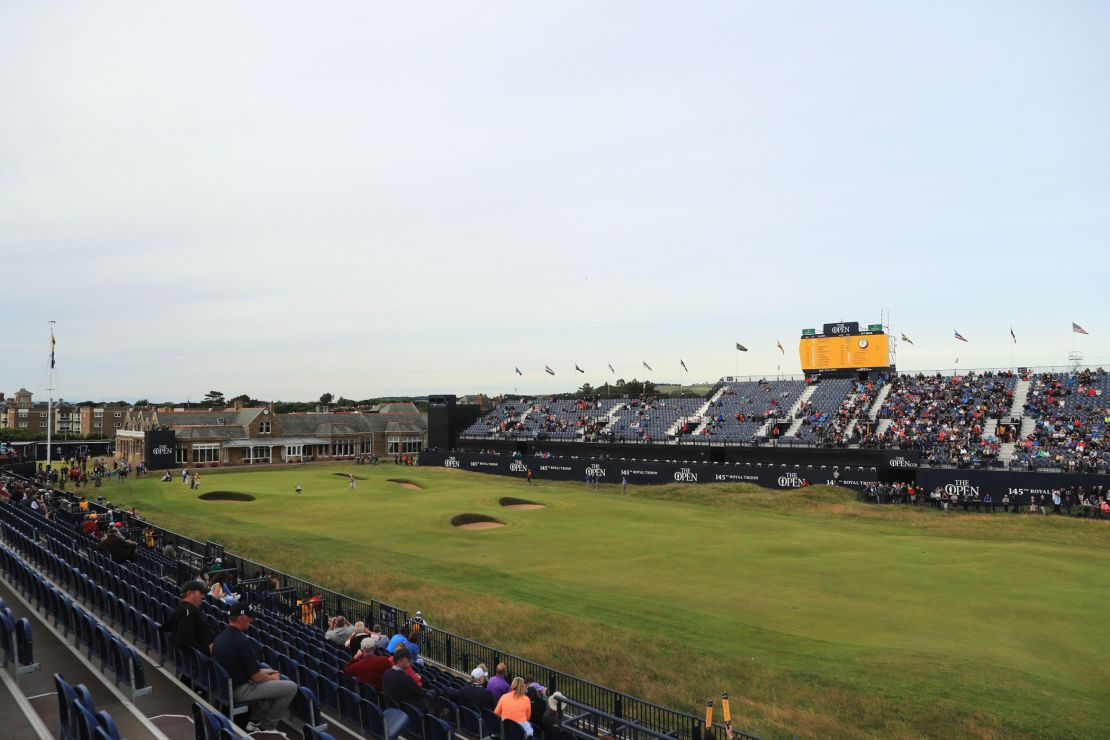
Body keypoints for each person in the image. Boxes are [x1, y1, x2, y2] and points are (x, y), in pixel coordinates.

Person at [211, 604, 299, 733]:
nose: (251, 620)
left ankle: (254, 722)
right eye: (249, 617)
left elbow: (242, 668)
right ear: (241, 618)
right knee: (291, 687)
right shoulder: (241, 641)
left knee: (267, 677)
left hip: (225, 687)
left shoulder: (220, 637)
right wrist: (272, 677)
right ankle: (268, 727)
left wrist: (264, 673)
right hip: (237, 691)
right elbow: (256, 677)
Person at [160, 580, 217, 690]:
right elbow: (184, 640)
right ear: (191, 593)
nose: (203, 597)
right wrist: (207, 649)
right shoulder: (187, 611)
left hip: (195, 659)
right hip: (200, 659)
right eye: (200, 593)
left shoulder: (186, 610)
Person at [381, 647, 435, 714]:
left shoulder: (387, 672)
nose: (409, 662)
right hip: (407, 708)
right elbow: (419, 692)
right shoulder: (403, 677)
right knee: (432, 693)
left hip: (395, 705)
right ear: (400, 661)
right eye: (408, 660)